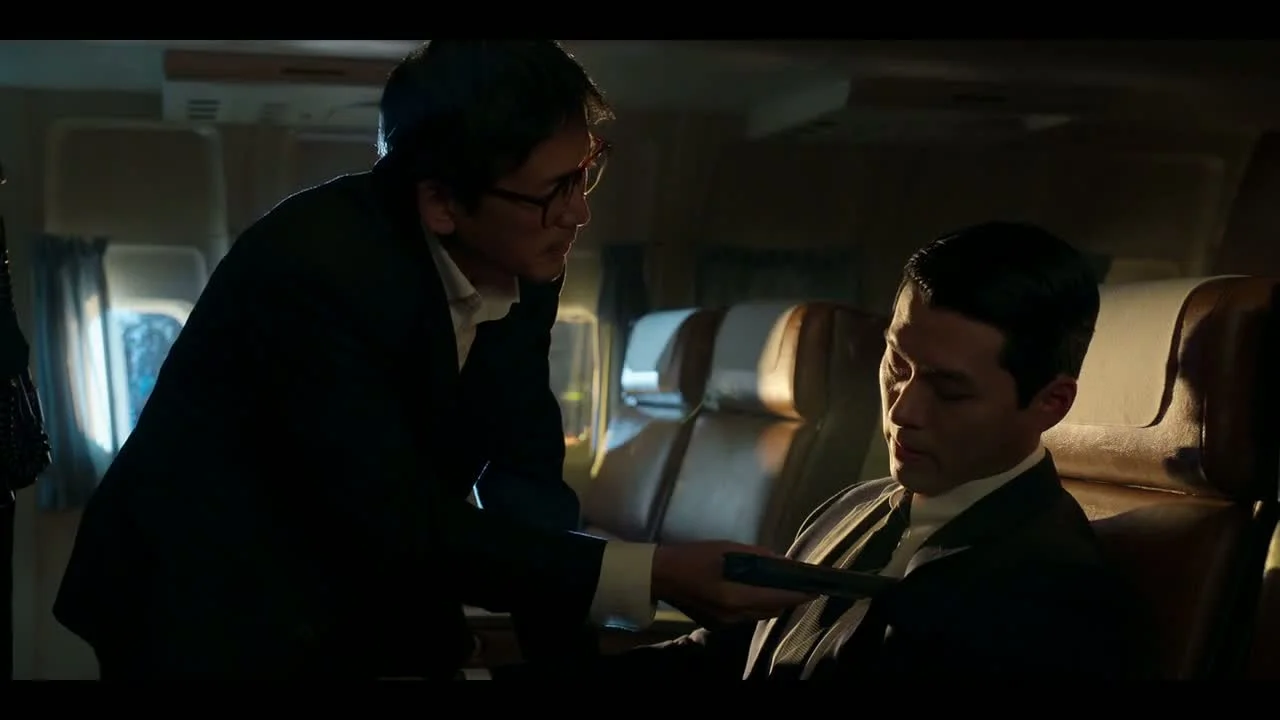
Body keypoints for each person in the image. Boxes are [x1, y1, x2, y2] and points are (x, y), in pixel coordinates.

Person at [52, 40, 809, 679]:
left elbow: (525, 475)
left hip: (344, 564)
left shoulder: (525, 256)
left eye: (586, 172)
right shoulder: (313, 271)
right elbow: (389, 519)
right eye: (554, 190)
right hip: (196, 589)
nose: (579, 213)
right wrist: (653, 573)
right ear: (442, 202)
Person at [492, 221, 1154, 681]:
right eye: (897, 365)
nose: (902, 409)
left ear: (1050, 403)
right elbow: (725, 656)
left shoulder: (1048, 596)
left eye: (950, 391)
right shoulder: (857, 505)